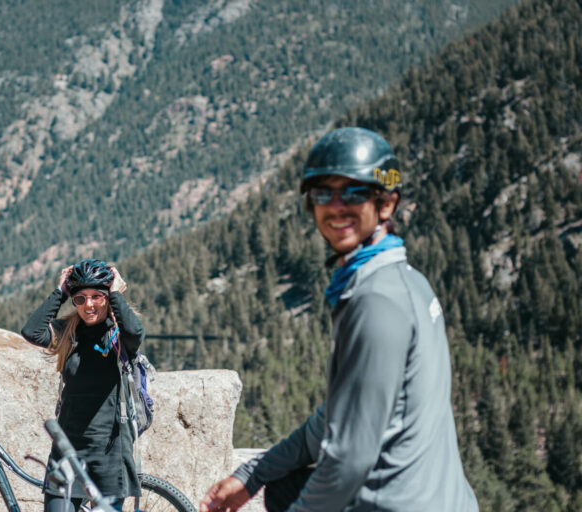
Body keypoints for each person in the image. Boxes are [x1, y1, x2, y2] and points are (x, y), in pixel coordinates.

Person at [200, 127, 478, 511]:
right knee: (282, 486)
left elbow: (349, 456)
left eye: (353, 192)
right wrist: (254, 474)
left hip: (393, 503)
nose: (336, 206)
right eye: (322, 194)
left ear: (386, 204)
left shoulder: (375, 300)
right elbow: (335, 415)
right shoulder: (407, 282)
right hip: (441, 498)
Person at [21, 258, 144, 512]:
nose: (88, 305)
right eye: (80, 298)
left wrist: (115, 294)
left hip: (109, 451)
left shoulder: (118, 335)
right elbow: (32, 332)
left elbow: (135, 331)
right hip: (68, 446)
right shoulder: (69, 331)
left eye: (97, 297)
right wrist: (60, 292)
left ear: (107, 297)